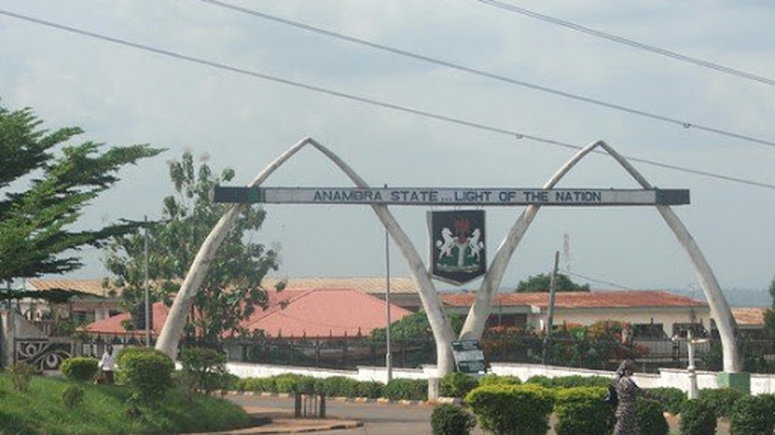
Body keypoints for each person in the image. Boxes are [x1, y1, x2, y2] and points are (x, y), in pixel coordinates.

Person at [612, 359, 640, 435]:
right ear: (627, 370)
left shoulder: (618, 380)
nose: (633, 371)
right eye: (632, 369)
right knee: (624, 430)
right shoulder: (626, 381)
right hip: (627, 410)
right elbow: (637, 391)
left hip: (622, 408)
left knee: (625, 430)